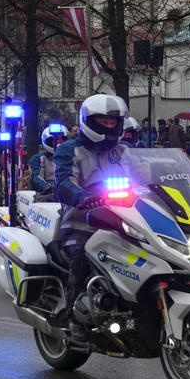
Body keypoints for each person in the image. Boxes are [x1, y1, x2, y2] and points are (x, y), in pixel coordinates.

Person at [54, 94, 132, 341]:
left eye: (113, 122)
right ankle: (74, 318)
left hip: (124, 224)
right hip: (81, 224)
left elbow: (147, 175)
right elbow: (64, 181)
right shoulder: (70, 150)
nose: (109, 126)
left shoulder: (124, 151)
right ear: (89, 121)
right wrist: (83, 196)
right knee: (83, 254)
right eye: (103, 121)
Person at [29, 125, 69, 200]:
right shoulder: (40, 158)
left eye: (61, 140)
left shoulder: (71, 157)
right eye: (54, 140)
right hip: (46, 193)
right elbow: (36, 177)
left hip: (69, 193)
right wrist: (46, 187)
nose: (58, 143)